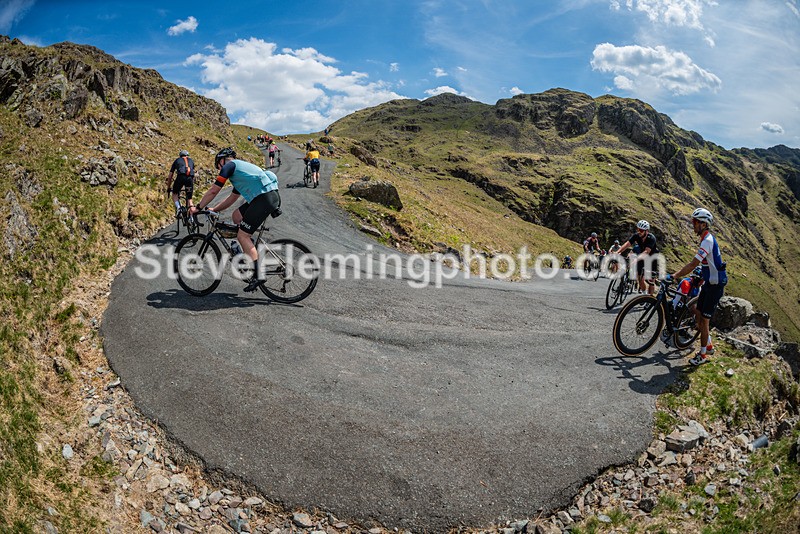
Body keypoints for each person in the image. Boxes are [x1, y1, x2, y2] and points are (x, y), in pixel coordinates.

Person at [189, 147, 281, 292]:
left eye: (218, 165)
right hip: (268, 196)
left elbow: (214, 191)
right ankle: (250, 252)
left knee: (243, 236)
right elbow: (231, 198)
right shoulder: (240, 172)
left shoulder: (229, 166)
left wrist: (198, 207)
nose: (219, 169)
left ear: (222, 160)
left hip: (264, 198)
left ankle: (258, 275)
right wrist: (214, 209)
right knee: (236, 216)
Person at [670, 208, 727, 366]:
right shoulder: (705, 239)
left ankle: (702, 356)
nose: (693, 224)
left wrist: (675, 275)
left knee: (704, 321)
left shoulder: (707, 241)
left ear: (703, 224)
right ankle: (708, 346)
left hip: (716, 286)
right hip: (709, 283)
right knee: (700, 316)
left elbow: (693, 264)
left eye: (695, 222)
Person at [615, 220, 658, 295]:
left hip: (652, 258)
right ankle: (644, 295)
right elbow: (627, 244)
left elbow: (646, 252)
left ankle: (650, 298)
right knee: (640, 278)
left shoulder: (651, 238)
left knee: (651, 281)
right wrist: (618, 252)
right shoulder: (636, 236)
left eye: (641, 230)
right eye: (638, 229)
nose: (639, 232)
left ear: (646, 231)